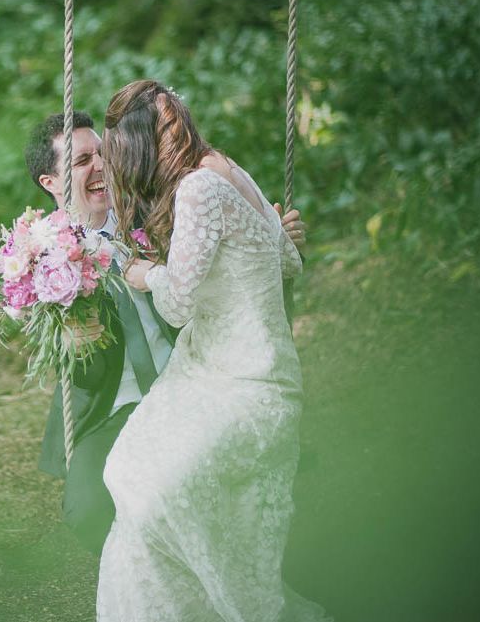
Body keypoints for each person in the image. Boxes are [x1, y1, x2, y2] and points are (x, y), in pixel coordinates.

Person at [96, 80, 331, 621]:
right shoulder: (229, 169)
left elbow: (177, 305)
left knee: (146, 485)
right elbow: (288, 264)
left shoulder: (197, 190)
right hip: (222, 370)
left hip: (242, 383)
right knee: (131, 476)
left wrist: (139, 270)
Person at [26, 110, 307, 558]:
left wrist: (271, 239)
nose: (99, 166)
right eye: (81, 161)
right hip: (112, 402)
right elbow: (72, 370)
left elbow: (231, 270)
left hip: (194, 378)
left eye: (102, 153)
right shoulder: (40, 255)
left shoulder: (160, 208)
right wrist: (71, 341)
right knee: (88, 507)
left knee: (234, 472)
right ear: (50, 183)